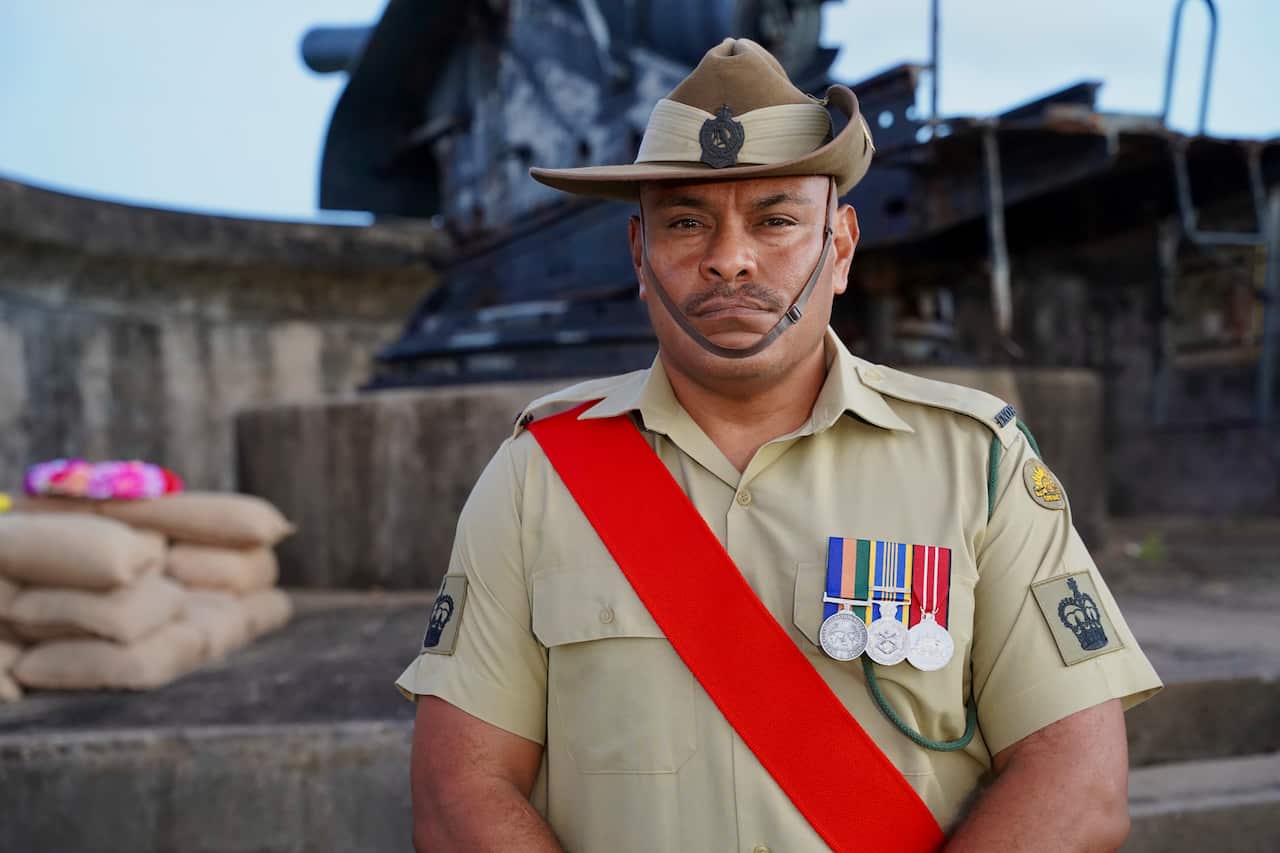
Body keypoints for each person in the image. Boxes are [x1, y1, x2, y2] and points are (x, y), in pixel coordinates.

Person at [396, 38, 1161, 852]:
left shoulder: (978, 465)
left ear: (841, 247)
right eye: (686, 222)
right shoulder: (539, 476)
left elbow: (1077, 781)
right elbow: (459, 792)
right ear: (639, 255)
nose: (730, 259)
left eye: (776, 220)